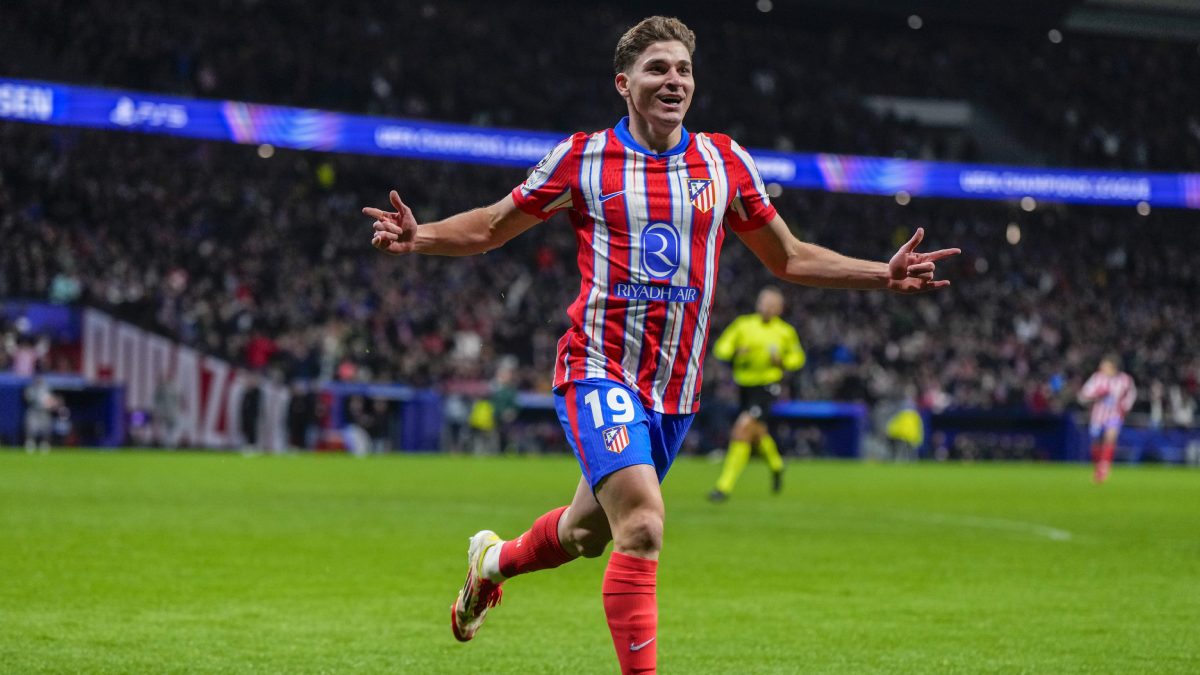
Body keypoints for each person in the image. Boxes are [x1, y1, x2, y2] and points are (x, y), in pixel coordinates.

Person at [363, 16, 959, 673]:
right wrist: (419, 236)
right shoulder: (584, 158)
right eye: (657, 69)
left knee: (588, 534)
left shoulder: (724, 163)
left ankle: (492, 560)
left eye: (683, 70)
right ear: (624, 83)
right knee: (643, 524)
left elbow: (787, 258)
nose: (673, 80)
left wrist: (882, 272)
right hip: (597, 368)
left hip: (674, 392)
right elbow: (492, 226)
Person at [708, 286, 804, 502]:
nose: (767, 308)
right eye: (764, 303)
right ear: (758, 304)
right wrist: (734, 352)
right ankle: (777, 465)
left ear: (780, 309)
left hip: (768, 386)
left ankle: (723, 487)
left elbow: (798, 358)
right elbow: (721, 347)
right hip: (745, 386)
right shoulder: (743, 325)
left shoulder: (785, 331)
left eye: (773, 305)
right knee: (757, 433)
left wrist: (784, 362)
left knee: (742, 429)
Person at [1078, 355, 1136, 483]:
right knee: (1095, 442)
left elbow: (1131, 395)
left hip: (1115, 415)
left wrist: (1125, 408)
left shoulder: (1125, 380)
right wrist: (1095, 394)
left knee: (1110, 438)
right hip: (1097, 416)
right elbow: (1082, 396)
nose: (1101, 367)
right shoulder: (1097, 378)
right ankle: (1098, 467)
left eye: (1105, 365)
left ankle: (1104, 466)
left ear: (1113, 367)